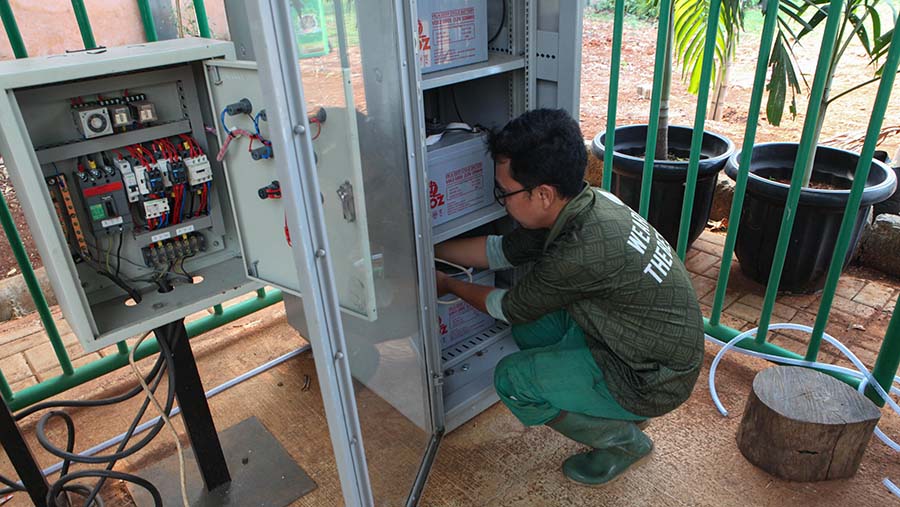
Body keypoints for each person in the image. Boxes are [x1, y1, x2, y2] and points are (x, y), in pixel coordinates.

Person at [434, 108, 704, 486]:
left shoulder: (579, 250)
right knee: (532, 328)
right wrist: (432, 248)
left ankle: (623, 443)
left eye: (504, 193)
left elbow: (506, 307)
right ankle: (607, 406)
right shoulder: (587, 203)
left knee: (514, 380)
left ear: (542, 194)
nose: (502, 201)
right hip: (642, 346)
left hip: (651, 379)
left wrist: (448, 285)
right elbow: (501, 251)